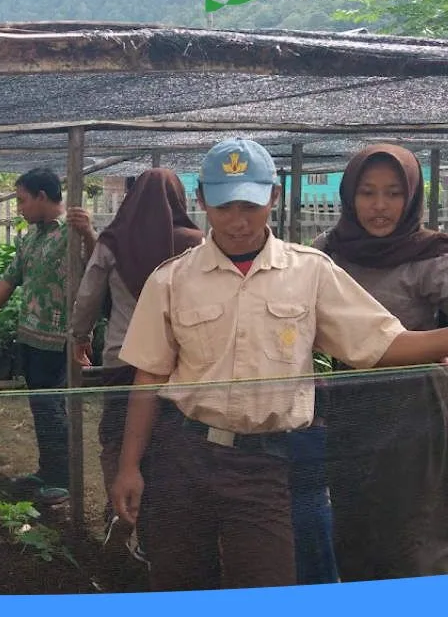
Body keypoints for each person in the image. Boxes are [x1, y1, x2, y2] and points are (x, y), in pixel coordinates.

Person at [110, 137, 448, 591]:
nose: (238, 220)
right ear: (202, 200)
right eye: (225, 205)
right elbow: (148, 376)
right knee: (180, 581)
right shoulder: (172, 280)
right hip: (183, 455)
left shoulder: (310, 272)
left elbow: (382, 344)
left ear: (272, 196)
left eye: (250, 204)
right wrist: (130, 465)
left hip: (264, 463)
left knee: (268, 583)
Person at [314, 144, 448, 581]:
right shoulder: (326, 252)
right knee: (353, 521)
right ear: (349, 196)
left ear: (411, 198)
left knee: (414, 528)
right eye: (367, 192)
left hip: (416, 414)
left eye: (393, 193)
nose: (379, 206)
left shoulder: (432, 255)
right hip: (347, 407)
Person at [68, 168, 203, 549]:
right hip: (177, 362)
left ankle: (121, 509)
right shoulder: (195, 243)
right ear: (181, 200)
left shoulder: (113, 242)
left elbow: (89, 295)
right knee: (168, 440)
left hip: (122, 360)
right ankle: (160, 525)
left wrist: (79, 336)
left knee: (116, 437)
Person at [0, 168, 96, 505]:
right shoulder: (31, 238)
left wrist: (91, 235)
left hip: (60, 337)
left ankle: (63, 481)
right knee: (41, 406)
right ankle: (47, 470)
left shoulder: (74, 233)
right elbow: (7, 283)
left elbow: (99, 270)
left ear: (42, 196)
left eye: (22, 200)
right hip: (31, 337)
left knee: (52, 407)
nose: (19, 208)